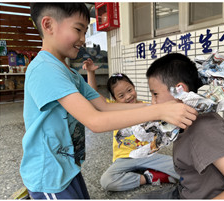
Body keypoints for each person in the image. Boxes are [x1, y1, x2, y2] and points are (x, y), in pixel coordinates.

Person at [22, 3, 196, 199]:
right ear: (48, 25)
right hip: (49, 174)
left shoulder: (69, 73)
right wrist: (160, 111)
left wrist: (158, 106)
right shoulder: (45, 69)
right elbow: (95, 120)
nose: (83, 39)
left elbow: (104, 106)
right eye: (78, 29)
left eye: (85, 32)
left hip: (66, 167)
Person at [144, 53, 224, 199]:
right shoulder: (185, 121)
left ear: (179, 90)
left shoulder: (207, 130)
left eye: (155, 94)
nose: (153, 102)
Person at [82, 59, 179, 191]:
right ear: (114, 99)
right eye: (121, 95)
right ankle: (150, 177)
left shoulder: (146, 105)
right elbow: (93, 96)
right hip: (124, 158)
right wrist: (90, 72)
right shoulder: (113, 108)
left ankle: (161, 173)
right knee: (107, 181)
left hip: (148, 155)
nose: (128, 97)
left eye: (129, 90)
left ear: (134, 87)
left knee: (180, 168)